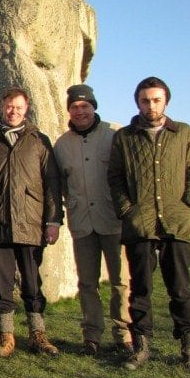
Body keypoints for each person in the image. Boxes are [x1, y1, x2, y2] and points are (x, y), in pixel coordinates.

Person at [107, 76, 190, 375]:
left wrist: (188, 206)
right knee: (141, 289)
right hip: (141, 223)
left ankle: (188, 350)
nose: (151, 105)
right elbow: (115, 177)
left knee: (180, 288)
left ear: (166, 101)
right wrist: (127, 210)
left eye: (156, 99)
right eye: (145, 100)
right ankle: (141, 347)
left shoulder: (183, 132)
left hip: (176, 222)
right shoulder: (125, 137)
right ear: (137, 102)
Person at [0, 87, 63, 358]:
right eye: (9, 106)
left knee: (31, 282)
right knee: (3, 284)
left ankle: (38, 334)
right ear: (2, 107)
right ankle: (6, 337)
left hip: (30, 221)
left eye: (18, 106)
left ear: (26, 108)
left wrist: (53, 220)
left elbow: (52, 183)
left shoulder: (38, 140)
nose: (13, 111)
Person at [53, 84, 132, 356]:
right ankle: (92, 335)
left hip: (113, 218)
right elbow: (60, 184)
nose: (80, 111)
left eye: (85, 106)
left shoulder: (115, 134)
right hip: (82, 221)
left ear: (94, 107)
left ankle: (124, 333)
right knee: (87, 282)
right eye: (74, 107)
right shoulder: (62, 144)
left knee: (121, 280)